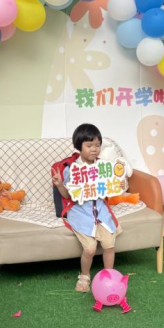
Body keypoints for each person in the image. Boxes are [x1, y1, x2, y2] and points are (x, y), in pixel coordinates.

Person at [52, 124, 121, 293]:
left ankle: (109, 275)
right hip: (81, 213)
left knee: (109, 245)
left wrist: (117, 183)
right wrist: (60, 185)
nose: (94, 149)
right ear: (79, 146)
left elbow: (109, 188)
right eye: (89, 145)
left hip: (101, 213)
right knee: (90, 249)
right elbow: (68, 196)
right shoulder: (72, 169)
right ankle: (84, 275)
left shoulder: (103, 166)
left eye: (97, 145)